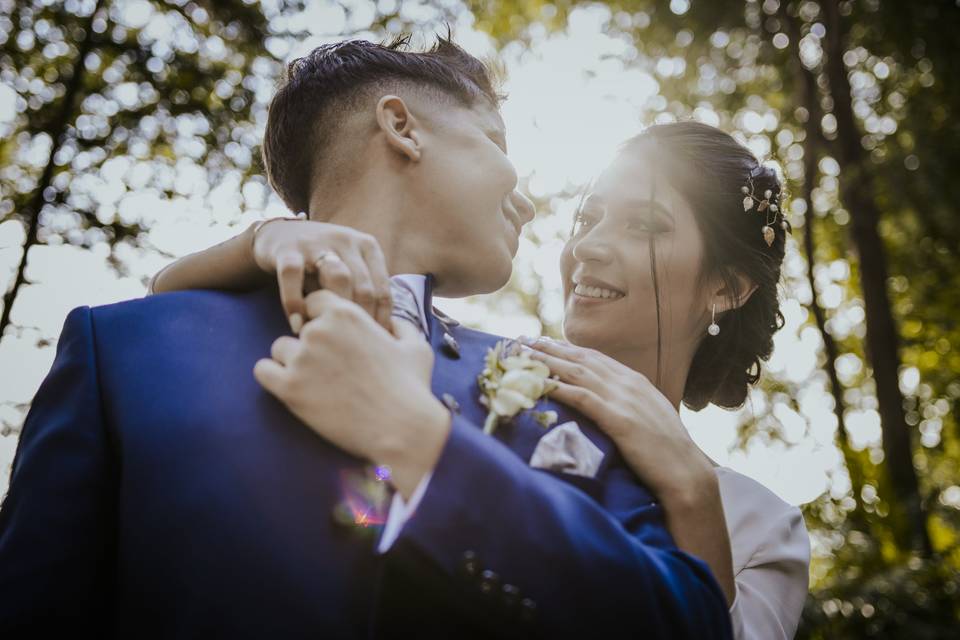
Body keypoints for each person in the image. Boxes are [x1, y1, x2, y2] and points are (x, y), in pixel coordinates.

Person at [0, 38, 732, 639]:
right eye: (494, 140)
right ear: (402, 126)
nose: (528, 197)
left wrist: (430, 451)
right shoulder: (124, 352)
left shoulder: (569, 389)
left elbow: (689, 625)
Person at [153, 121, 810, 638]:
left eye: (643, 224)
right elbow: (172, 320)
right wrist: (263, 238)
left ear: (726, 287)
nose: (587, 246)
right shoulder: (449, 370)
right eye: (588, 218)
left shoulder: (759, 523)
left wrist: (693, 494)